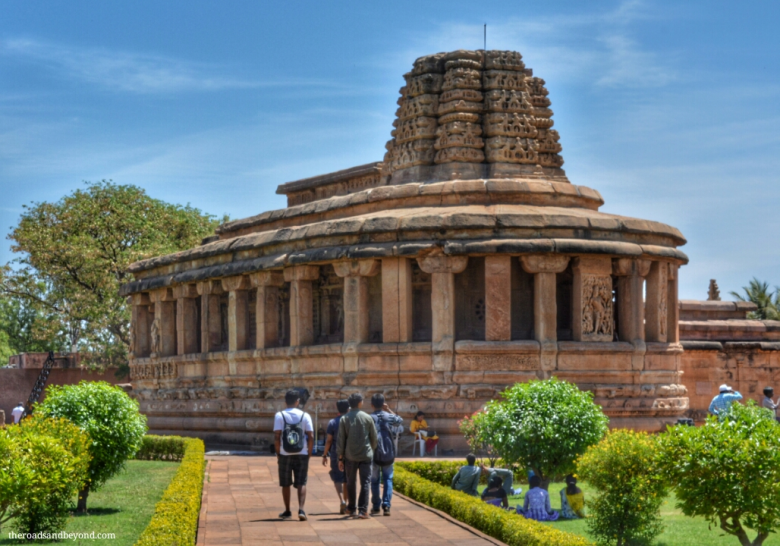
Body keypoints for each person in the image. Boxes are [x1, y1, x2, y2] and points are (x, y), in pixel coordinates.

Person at [273, 389, 314, 521]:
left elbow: (277, 436)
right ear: (298, 402)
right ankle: (301, 510)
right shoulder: (305, 415)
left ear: (285, 402)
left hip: (285, 453)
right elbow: (311, 436)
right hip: (301, 452)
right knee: (302, 482)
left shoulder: (279, 415)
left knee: (285, 483)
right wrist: (309, 452)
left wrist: (278, 452)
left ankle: (287, 510)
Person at [337, 393, 377, 519]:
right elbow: (374, 438)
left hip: (350, 456)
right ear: (360, 403)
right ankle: (363, 510)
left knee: (350, 482)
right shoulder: (367, 417)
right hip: (365, 455)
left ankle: (352, 508)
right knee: (365, 482)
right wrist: (371, 450)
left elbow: (341, 440)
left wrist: (340, 457)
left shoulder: (345, 418)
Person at [369, 393, 403, 516]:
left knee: (374, 480)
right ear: (383, 403)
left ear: (372, 404)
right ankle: (387, 505)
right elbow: (400, 420)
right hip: (389, 453)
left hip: (374, 453)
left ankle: (376, 506)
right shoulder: (389, 416)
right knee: (388, 479)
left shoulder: (369, 418)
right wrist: (388, 409)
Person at [322, 399, 350, 514]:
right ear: (348, 408)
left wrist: (324, 454)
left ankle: (342, 500)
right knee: (347, 479)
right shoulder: (350, 421)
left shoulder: (333, 422)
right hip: (349, 453)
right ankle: (347, 503)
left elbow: (329, 440)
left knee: (337, 478)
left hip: (335, 453)